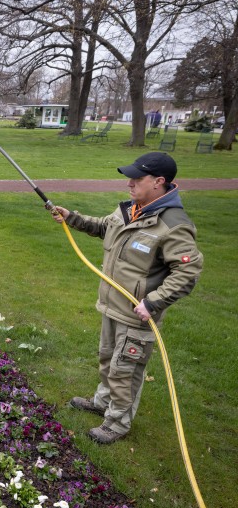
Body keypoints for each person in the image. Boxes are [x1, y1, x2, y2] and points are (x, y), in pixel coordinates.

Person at [51, 152, 203, 443]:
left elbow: (188, 271)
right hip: (113, 306)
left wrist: (153, 302)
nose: (129, 183)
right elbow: (102, 227)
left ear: (159, 182)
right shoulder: (130, 210)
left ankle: (117, 423)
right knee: (108, 359)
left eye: (137, 178)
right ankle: (103, 402)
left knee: (125, 371)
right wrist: (71, 218)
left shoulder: (173, 224)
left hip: (138, 314)